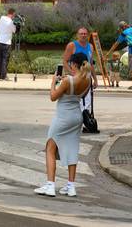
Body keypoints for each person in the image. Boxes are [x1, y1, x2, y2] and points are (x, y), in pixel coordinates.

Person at [34, 52, 91, 197]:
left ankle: (50, 185)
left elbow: (53, 97)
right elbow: (81, 96)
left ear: (73, 64)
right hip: (76, 117)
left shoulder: (68, 81)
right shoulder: (87, 80)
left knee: (50, 148)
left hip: (63, 117)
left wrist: (54, 82)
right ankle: (71, 186)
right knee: (72, 149)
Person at [0, 8, 16, 81]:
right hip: (6, 43)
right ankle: (3, 76)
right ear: (13, 14)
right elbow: (14, 31)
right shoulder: (11, 22)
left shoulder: (2, 18)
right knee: (5, 60)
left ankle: (0, 76)